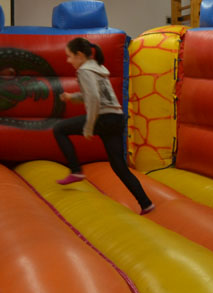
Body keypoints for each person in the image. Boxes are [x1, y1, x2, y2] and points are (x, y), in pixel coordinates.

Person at [53, 37, 155, 214]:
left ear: (79, 55)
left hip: (103, 118)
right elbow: (93, 95)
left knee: (59, 129)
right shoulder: (98, 67)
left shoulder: (84, 70)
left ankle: (76, 170)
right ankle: (146, 203)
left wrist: (88, 126)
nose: (68, 61)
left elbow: (94, 98)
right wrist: (72, 97)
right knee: (119, 166)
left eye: (70, 56)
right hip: (116, 118)